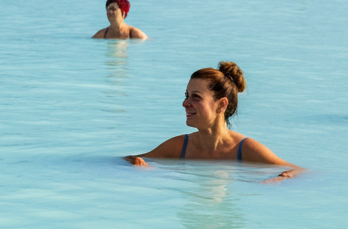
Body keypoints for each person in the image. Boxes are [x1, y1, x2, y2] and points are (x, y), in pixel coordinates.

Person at [124, 61, 301, 180]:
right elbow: (130, 160)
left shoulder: (244, 150)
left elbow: (301, 171)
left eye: (196, 97)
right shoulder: (180, 147)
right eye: (187, 96)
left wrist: (279, 180)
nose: (185, 103)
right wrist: (142, 168)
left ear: (221, 105)